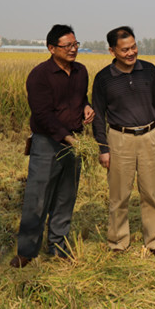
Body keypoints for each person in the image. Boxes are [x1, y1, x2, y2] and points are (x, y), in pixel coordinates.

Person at [11, 24, 94, 268]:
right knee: (37, 199)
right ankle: (27, 251)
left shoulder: (81, 72)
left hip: (74, 143)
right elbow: (43, 114)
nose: (73, 49)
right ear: (51, 48)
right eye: (67, 45)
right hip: (47, 143)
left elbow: (80, 98)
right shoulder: (40, 75)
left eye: (75, 44)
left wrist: (87, 107)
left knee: (66, 198)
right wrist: (67, 138)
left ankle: (58, 247)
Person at [92, 26, 155, 259]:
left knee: (151, 193)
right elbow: (98, 115)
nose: (131, 52)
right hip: (119, 139)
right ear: (112, 51)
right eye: (124, 49)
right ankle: (118, 241)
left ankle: (154, 241)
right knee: (119, 195)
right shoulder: (103, 78)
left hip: (149, 135)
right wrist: (103, 148)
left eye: (133, 47)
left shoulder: (149, 71)